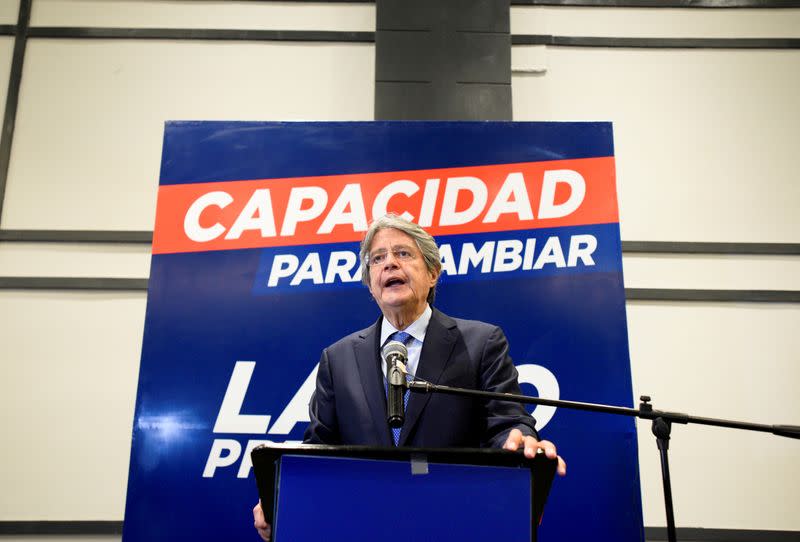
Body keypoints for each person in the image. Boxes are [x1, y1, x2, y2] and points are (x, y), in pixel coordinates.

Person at [253, 214, 566, 541]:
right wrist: (283, 496)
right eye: (378, 258)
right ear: (371, 284)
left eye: (403, 253)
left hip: (456, 521)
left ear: (433, 273)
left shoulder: (480, 342)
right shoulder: (338, 357)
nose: (389, 264)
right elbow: (319, 448)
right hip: (365, 526)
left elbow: (508, 421)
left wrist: (518, 437)